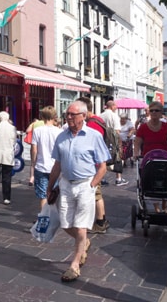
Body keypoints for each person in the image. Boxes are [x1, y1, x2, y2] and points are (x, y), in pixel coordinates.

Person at [47, 100, 110, 283]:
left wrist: (92, 185)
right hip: (66, 183)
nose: (68, 117)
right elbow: (57, 165)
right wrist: (50, 187)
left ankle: (74, 264)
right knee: (66, 224)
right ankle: (84, 244)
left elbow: (102, 167)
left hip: (85, 184)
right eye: (67, 114)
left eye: (72, 114)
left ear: (83, 116)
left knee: (81, 226)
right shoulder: (62, 136)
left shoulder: (93, 136)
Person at [134, 101, 167, 212]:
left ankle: (164, 204)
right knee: (149, 179)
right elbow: (137, 142)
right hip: (149, 157)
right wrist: (135, 153)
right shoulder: (143, 127)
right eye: (151, 110)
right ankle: (156, 206)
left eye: (156, 110)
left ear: (161, 112)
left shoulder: (166, 126)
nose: (153, 112)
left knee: (166, 179)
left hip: (164, 156)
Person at [78, 97, 109, 234]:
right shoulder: (98, 120)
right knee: (97, 193)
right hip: (97, 162)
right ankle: (101, 219)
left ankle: (100, 222)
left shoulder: (92, 124)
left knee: (96, 193)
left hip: (95, 164)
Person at [30, 106, 62, 209]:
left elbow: (34, 149)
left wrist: (33, 163)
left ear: (42, 116)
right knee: (54, 193)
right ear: (54, 117)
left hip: (41, 165)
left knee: (43, 195)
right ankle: (53, 218)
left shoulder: (37, 130)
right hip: (55, 167)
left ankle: (44, 217)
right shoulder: (59, 132)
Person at [100, 100, 127, 186]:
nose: (116, 108)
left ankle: (102, 179)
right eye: (115, 106)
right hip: (112, 139)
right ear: (112, 106)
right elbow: (117, 131)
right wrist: (119, 142)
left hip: (102, 139)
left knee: (102, 158)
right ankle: (118, 179)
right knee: (117, 157)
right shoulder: (113, 116)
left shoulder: (101, 115)